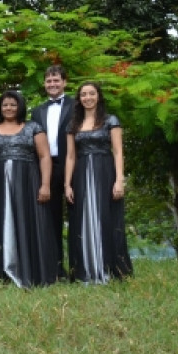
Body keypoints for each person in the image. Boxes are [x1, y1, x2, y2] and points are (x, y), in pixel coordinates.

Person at [0, 90, 58, 288]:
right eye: (5, 105)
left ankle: (31, 269)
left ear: (20, 106)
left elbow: (45, 156)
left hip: (28, 183)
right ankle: (2, 271)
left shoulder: (33, 128)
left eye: (13, 104)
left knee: (28, 221)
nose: (9, 108)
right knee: (0, 222)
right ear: (0, 107)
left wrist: (45, 185)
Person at [64, 82, 133, 283]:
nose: (87, 98)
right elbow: (70, 156)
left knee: (106, 217)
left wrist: (119, 180)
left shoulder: (111, 120)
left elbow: (118, 151)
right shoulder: (73, 125)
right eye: (83, 94)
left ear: (98, 96)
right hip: (81, 174)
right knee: (82, 218)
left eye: (91, 94)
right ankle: (85, 269)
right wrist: (67, 184)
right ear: (79, 99)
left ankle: (110, 269)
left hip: (105, 172)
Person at [30, 65, 75, 277]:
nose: (53, 84)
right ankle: (56, 267)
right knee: (52, 217)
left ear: (64, 82)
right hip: (47, 168)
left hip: (75, 165)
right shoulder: (37, 111)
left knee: (78, 215)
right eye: (49, 81)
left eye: (56, 80)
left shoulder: (77, 105)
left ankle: (80, 265)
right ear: (44, 84)